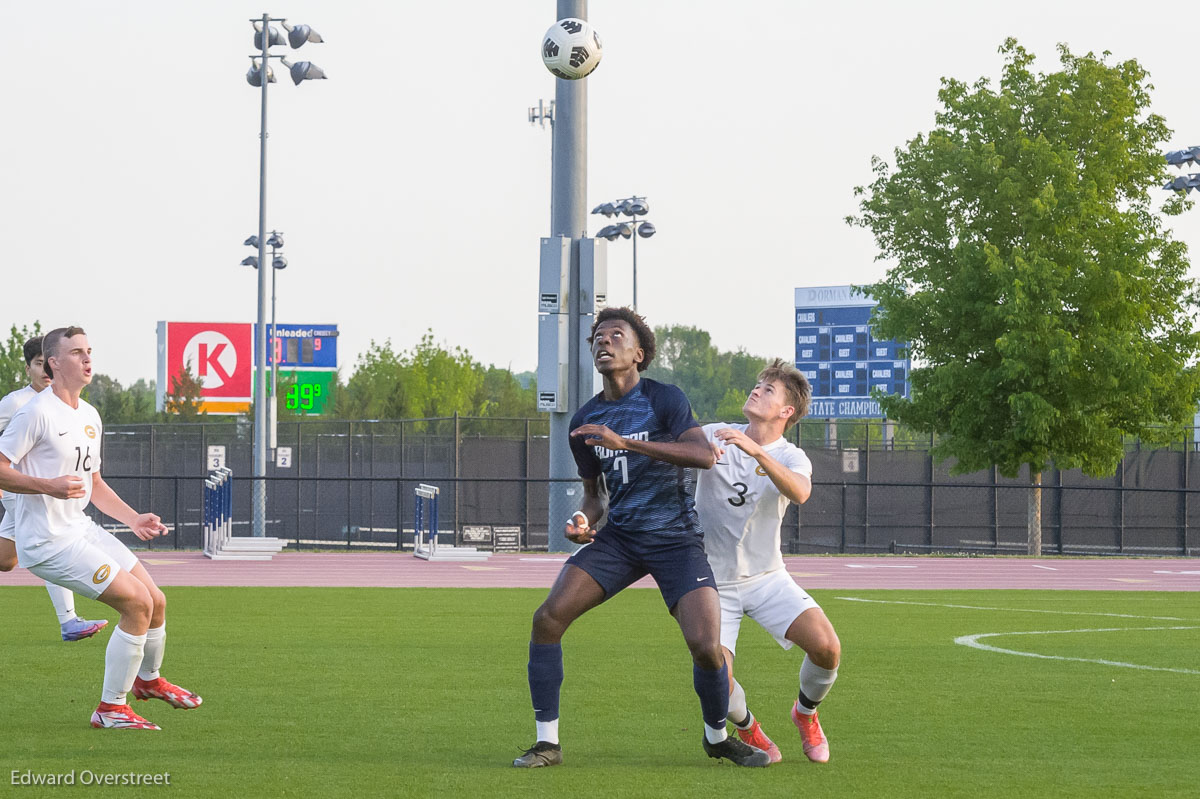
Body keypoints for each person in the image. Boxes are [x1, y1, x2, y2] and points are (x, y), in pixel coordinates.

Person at [514, 307, 770, 769]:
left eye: (616, 335)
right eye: (597, 336)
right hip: (621, 539)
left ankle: (716, 738)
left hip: (676, 540)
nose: (603, 341)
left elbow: (702, 455)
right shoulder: (585, 421)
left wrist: (628, 442)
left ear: (639, 353)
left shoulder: (664, 399)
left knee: (707, 647)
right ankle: (546, 743)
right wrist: (580, 518)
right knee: (547, 619)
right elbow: (594, 497)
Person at [0, 326, 202, 730]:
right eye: (76, 352)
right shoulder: (34, 411)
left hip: (81, 528)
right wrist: (48, 486)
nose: (87, 359)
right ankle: (111, 709)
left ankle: (148, 681)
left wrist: (133, 518)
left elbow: (94, 484)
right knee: (136, 604)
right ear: (53, 362)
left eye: (89, 351)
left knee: (156, 600)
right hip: (48, 542)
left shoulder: (89, 414)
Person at [694, 358, 840, 764]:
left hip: (767, 578)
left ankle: (806, 715)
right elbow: (672, 449)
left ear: (786, 412)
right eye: (758, 384)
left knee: (827, 648)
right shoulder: (712, 435)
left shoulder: (792, 456)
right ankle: (749, 728)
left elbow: (800, 492)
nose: (757, 390)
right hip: (713, 583)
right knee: (715, 678)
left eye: (769, 389)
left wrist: (756, 450)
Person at [0, 336, 109, 641]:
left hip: (45, 496)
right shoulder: (17, 403)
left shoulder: (70, 408)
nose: (45, 371)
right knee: (54, 542)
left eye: (48, 363)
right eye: (38, 364)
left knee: (5, 561)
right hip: (21, 494)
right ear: (29, 368)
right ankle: (69, 620)